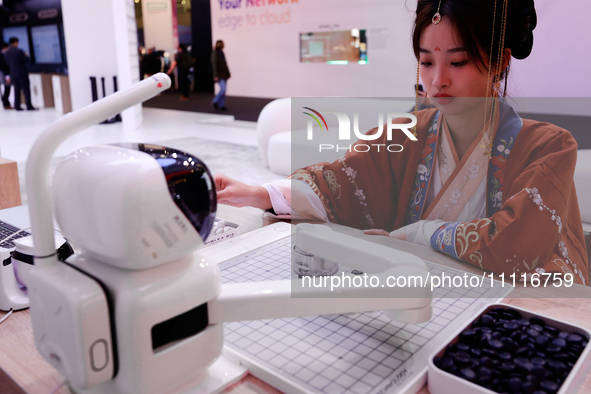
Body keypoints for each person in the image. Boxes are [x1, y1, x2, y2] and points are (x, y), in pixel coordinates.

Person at [214, 0, 589, 285]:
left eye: (457, 63)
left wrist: (415, 234)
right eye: (426, 63)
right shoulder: (406, 133)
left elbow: (516, 243)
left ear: (500, 62)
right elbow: (342, 179)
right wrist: (263, 193)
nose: (437, 80)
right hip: (413, 296)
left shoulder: (548, 147)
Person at [4, 37, 36, 111]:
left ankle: (17, 106)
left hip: (13, 73)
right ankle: (29, 105)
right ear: (15, 42)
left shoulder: (7, 53)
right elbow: (25, 60)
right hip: (22, 73)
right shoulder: (19, 51)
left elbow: (7, 64)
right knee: (26, 90)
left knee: (16, 90)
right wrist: (26, 55)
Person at [211, 40, 230, 111]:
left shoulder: (221, 53)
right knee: (223, 89)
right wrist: (216, 75)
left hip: (224, 74)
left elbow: (225, 64)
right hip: (219, 75)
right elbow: (214, 65)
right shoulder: (215, 54)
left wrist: (228, 73)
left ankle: (221, 105)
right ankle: (215, 101)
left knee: (224, 91)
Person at [0, 41, 12, 109]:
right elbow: (3, 66)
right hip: (4, 74)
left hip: (4, 73)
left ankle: (6, 102)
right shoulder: (2, 55)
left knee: (7, 88)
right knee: (7, 88)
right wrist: (7, 75)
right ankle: (6, 103)